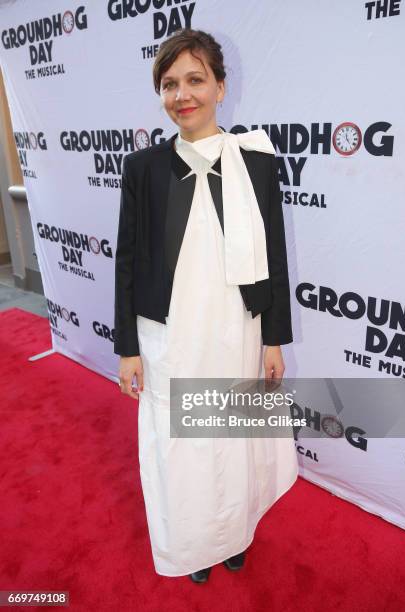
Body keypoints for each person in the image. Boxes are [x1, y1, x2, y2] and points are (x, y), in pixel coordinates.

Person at [114, 28, 298, 583]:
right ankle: (193, 543)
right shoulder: (143, 167)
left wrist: (273, 339)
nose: (182, 95)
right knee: (183, 446)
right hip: (169, 335)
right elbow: (126, 260)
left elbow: (273, 258)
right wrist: (127, 349)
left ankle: (234, 532)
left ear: (220, 86)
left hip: (237, 328)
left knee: (234, 439)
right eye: (169, 84)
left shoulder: (257, 164)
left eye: (195, 80)